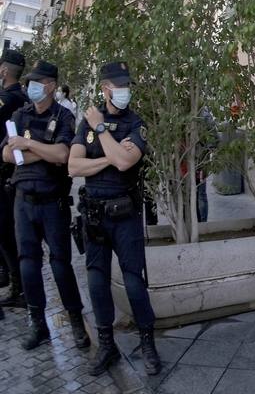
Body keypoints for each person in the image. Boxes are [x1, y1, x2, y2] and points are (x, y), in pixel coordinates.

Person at [67, 62, 160, 375]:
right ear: (105, 88)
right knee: (96, 280)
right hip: (94, 215)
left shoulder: (136, 124)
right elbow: (74, 166)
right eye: (118, 86)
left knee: (134, 282)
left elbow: (125, 163)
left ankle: (148, 342)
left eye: (127, 85)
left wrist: (102, 131)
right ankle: (107, 346)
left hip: (125, 215)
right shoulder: (86, 122)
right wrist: (111, 154)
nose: (124, 91)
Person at [3, 60, 88, 351]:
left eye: (37, 83)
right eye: (30, 82)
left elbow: (63, 154)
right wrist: (42, 150)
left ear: (51, 85)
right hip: (23, 200)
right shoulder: (20, 113)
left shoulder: (63, 116)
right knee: (28, 263)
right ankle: (38, 323)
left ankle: (75, 320)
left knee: (61, 264)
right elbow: (5, 154)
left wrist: (26, 146)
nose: (32, 87)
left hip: (53, 202)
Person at [0, 49, 27, 312]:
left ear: (4, 70)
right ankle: (11, 277)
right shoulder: (22, 98)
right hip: (13, 171)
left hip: (6, 171)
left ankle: (17, 285)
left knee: (5, 230)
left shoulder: (7, 98)